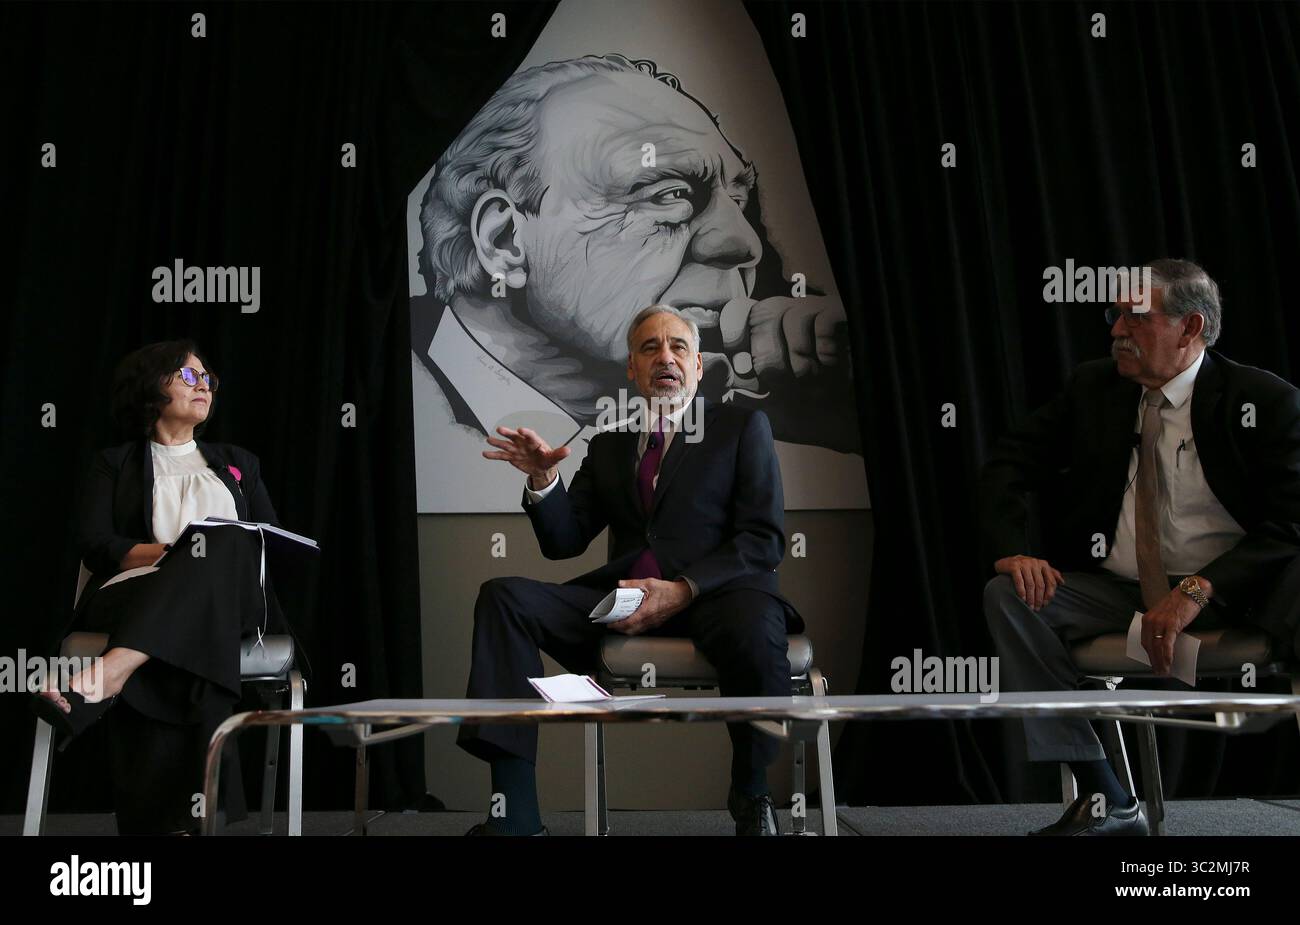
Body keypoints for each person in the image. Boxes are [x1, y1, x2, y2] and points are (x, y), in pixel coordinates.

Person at [981, 259, 1300, 835]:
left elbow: (1292, 524)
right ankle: (1108, 799)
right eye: (1114, 315)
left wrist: (1196, 592)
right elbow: (1008, 462)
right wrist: (1014, 550)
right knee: (1010, 595)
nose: (1116, 331)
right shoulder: (1093, 387)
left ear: (1191, 328)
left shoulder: (1264, 401)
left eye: (1135, 316)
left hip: (1230, 594)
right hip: (1117, 590)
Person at [458, 303, 803, 835]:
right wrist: (544, 482)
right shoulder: (610, 445)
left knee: (758, 629)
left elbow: (763, 541)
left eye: (678, 347)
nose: (665, 357)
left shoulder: (740, 427)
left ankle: (752, 791)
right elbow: (564, 543)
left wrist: (682, 590)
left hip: (719, 598)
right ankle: (515, 815)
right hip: (620, 602)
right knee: (503, 596)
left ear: (698, 364)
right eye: (649, 348)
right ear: (632, 370)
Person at [32, 339, 287, 834]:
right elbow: (96, 544)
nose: (203, 386)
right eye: (188, 376)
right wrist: (176, 558)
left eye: (207, 378)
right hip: (135, 590)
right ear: (153, 387)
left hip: (232, 600)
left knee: (223, 544)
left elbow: (266, 541)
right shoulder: (114, 462)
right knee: (188, 624)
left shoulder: (239, 462)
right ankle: (191, 821)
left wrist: (204, 554)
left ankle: (109, 674)